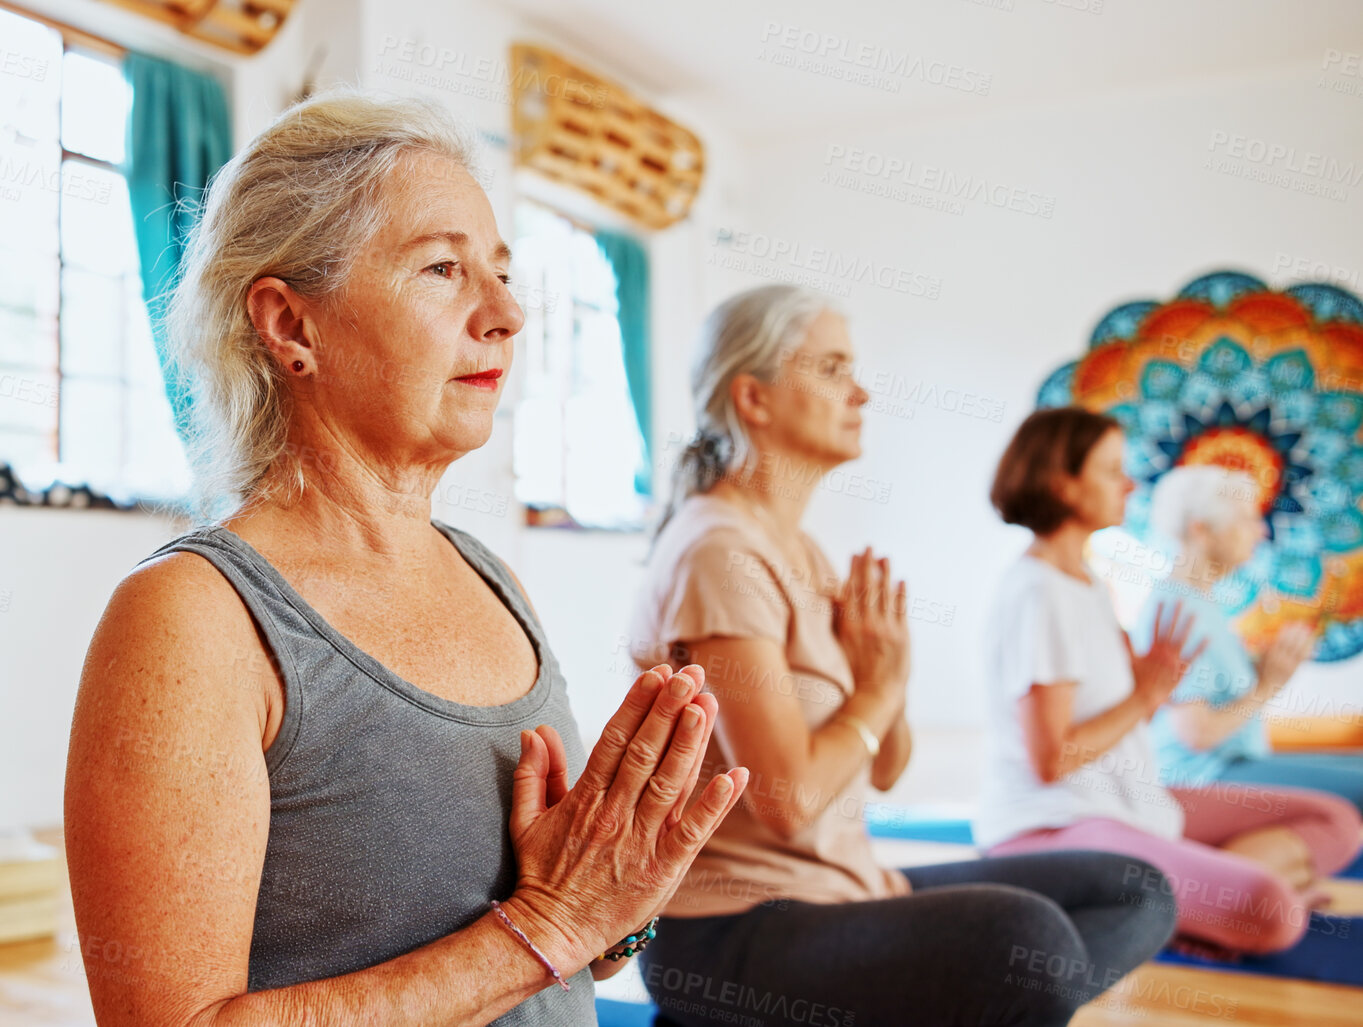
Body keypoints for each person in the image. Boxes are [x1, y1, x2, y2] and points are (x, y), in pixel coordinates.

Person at [62, 94, 749, 1027]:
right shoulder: (190, 618)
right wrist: (545, 924)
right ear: (291, 326)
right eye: (441, 268)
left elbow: (581, 927)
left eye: (502, 274)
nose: (505, 314)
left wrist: (615, 899)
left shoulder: (487, 576)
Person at [627, 286, 1176, 1027]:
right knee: (1024, 939)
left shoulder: (804, 553)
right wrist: (876, 689)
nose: (859, 391)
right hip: (731, 934)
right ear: (752, 398)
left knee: (1133, 888)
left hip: (848, 888)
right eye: (829, 368)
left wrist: (889, 673)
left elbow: (885, 767)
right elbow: (786, 804)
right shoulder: (718, 551)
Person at [978, 407, 1363, 956]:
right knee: (1274, 913)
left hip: (1126, 800)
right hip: (1052, 826)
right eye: (1112, 471)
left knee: (1332, 818)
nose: (1129, 484)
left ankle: (1171, 904)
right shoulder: (1038, 593)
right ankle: (1184, 905)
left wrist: (1147, 691)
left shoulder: (1087, 584)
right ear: (1062, 484)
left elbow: (1130, 721)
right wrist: (1146, 693)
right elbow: (1051, 760)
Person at [1139, 465, 1363, 809]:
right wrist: (1267, 685)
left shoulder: (1199, 603)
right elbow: (1197, 733)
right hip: (1202, 778)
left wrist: (1267, 668)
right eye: (1245, 520)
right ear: (1201, 530)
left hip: (1231, 767)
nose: (1260, 532)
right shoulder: (1177, 610)